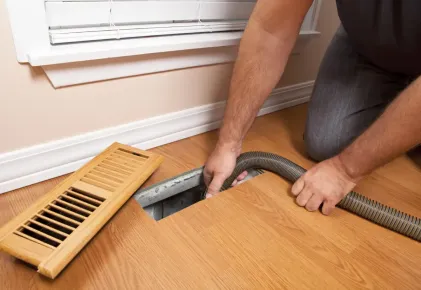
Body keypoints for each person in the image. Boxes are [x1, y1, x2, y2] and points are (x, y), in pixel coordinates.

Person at [203, 0, 421, 215]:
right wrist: (228, 144)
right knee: (326, 142)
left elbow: (344, 171)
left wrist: (344, 171)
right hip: (369, 47)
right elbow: (269, 31)